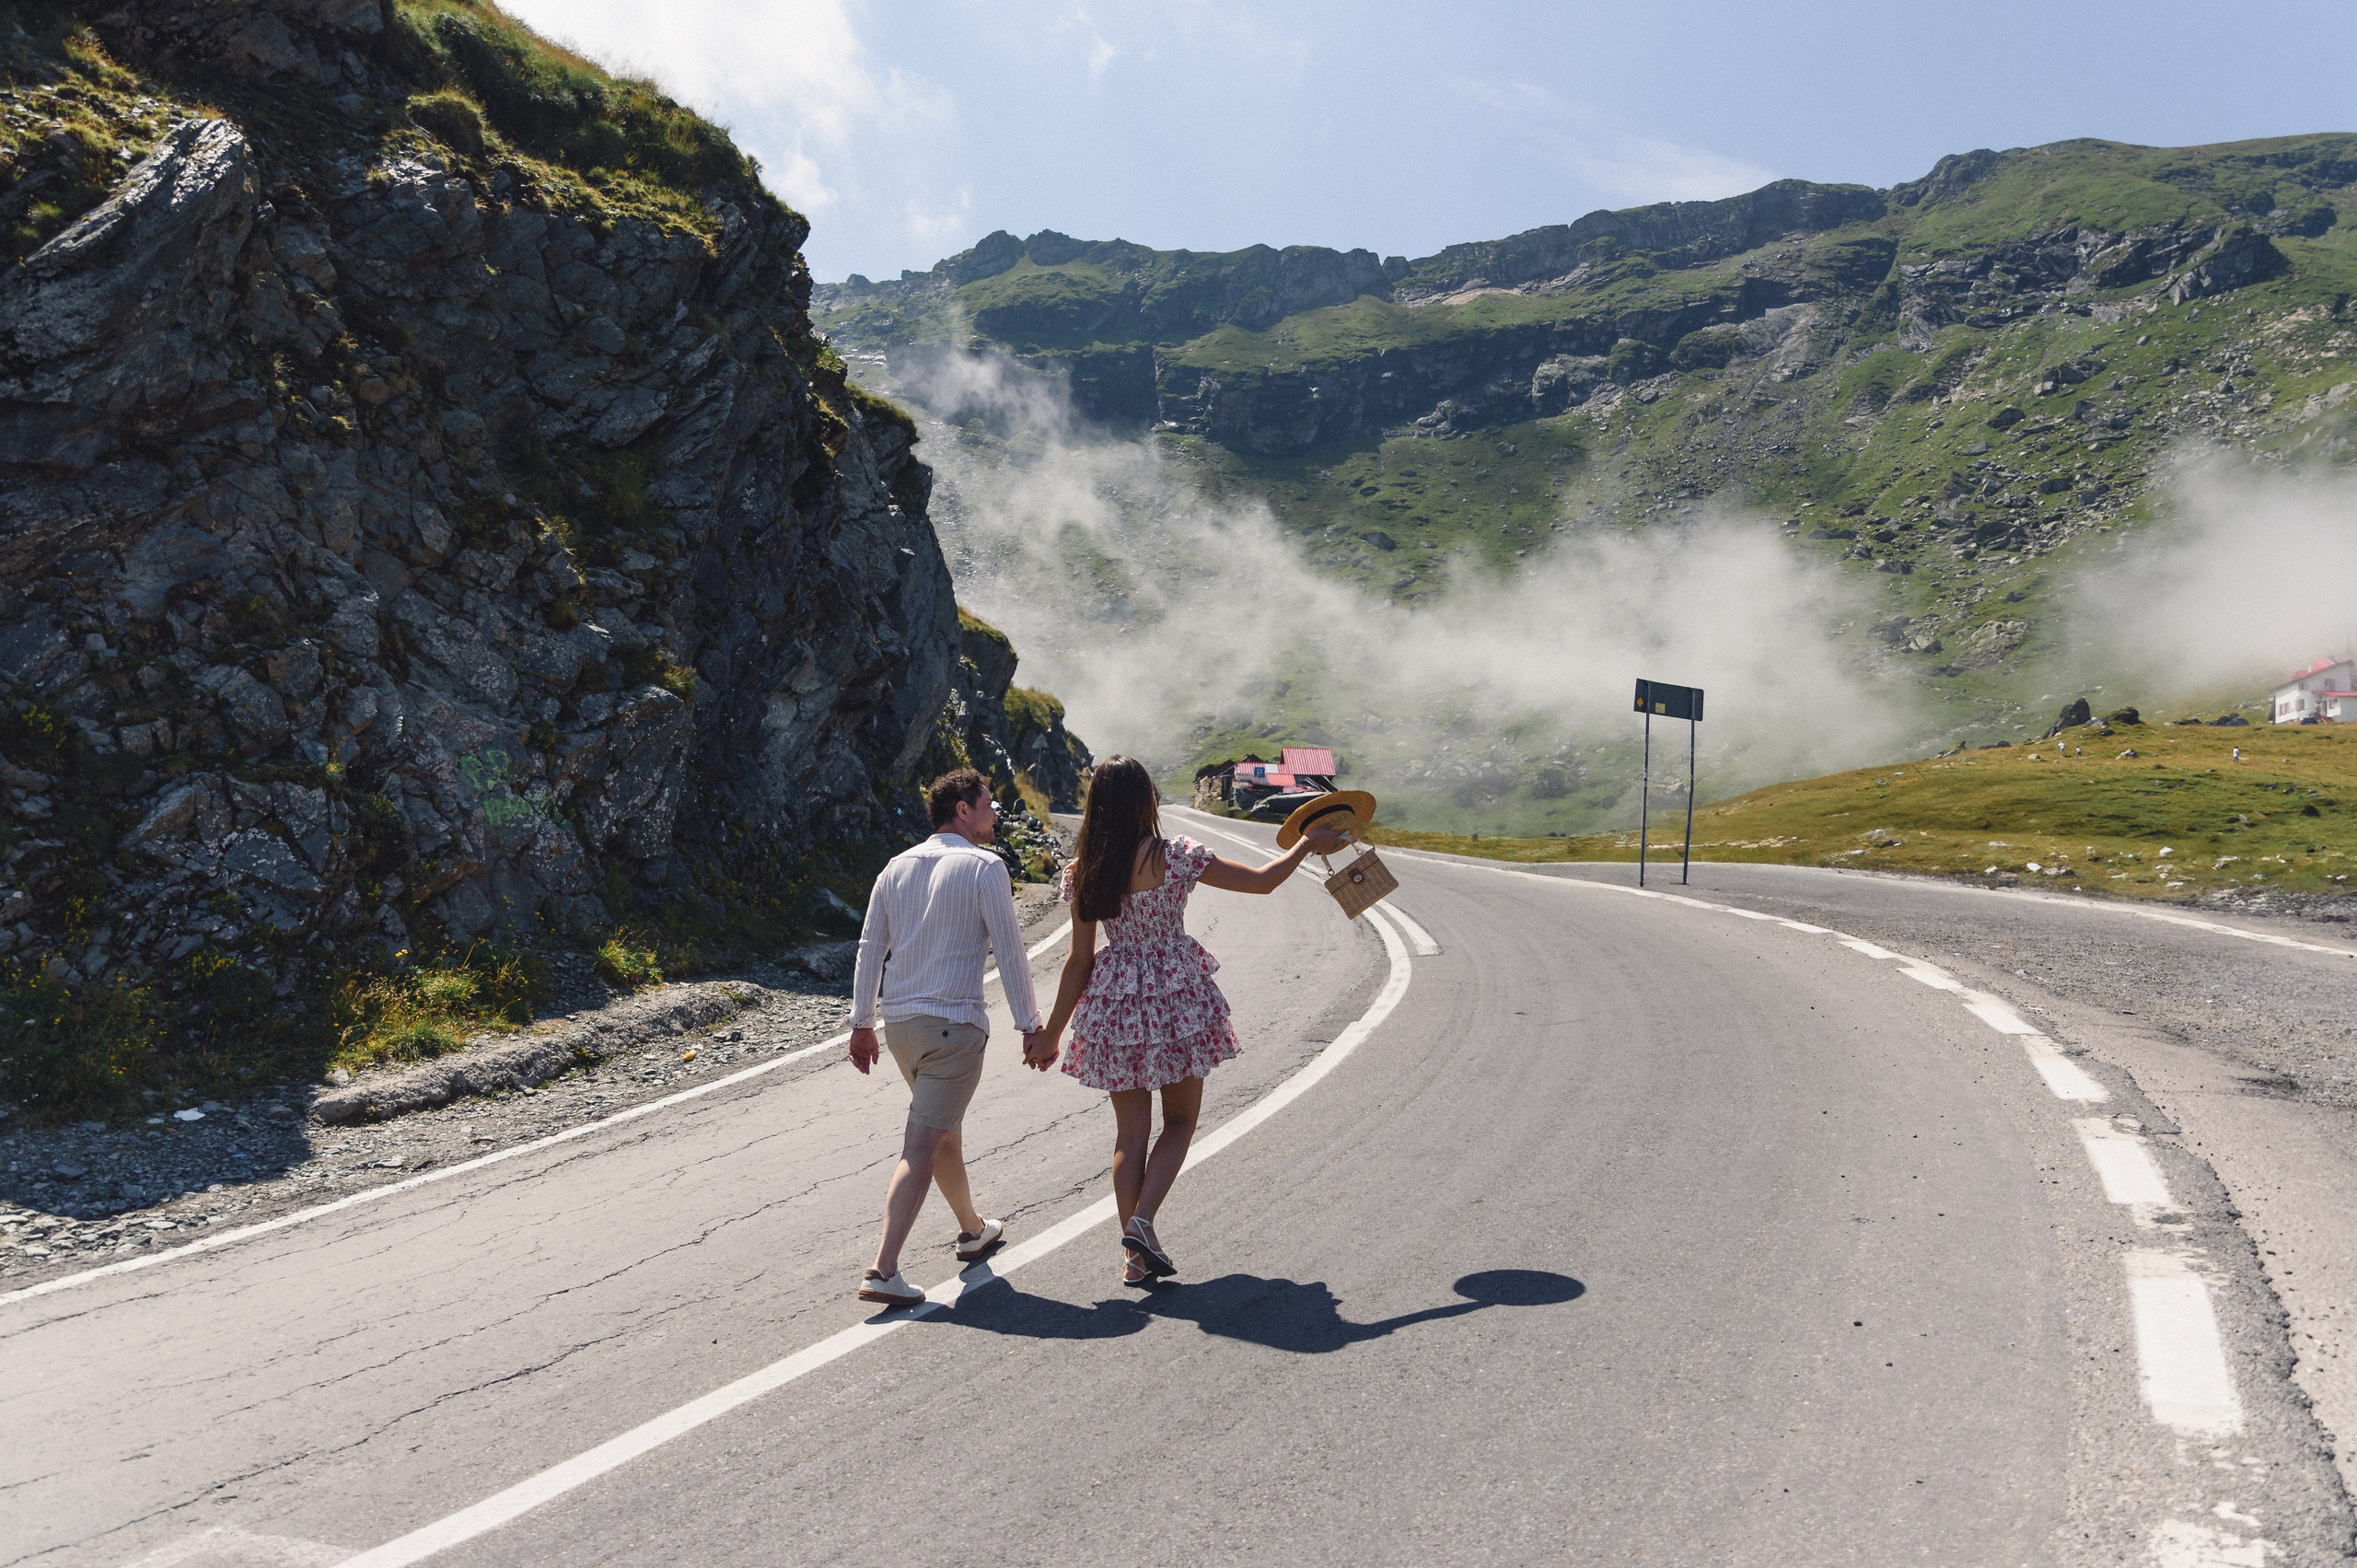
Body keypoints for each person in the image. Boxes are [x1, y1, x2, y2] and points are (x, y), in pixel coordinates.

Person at [1035, 756, 1347, 1286]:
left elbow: (1079, 960)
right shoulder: (1175, 856)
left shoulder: (1084, 870)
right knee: (1180, 1122)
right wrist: (1307, 843)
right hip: (1176, 997)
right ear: (1146, 801)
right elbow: (1264, 882)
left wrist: (1051, 1035)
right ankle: (1142, 1222)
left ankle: (1134, 1258)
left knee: (1129, 1135)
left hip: (1117, 1001)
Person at [846, 769, 1051, 1307]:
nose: (994, 813)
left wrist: (862, 1023)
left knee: (942, 1133)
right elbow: (1010, 950)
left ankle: (972, 1229)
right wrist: (1031, 1026)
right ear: (963, 809)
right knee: (922, 1143)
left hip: (901, 1029)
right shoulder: (985, 867)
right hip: (953, 1028)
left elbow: (871, 947)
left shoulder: (896, 867)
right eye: (988, 804)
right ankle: (882, 1269)